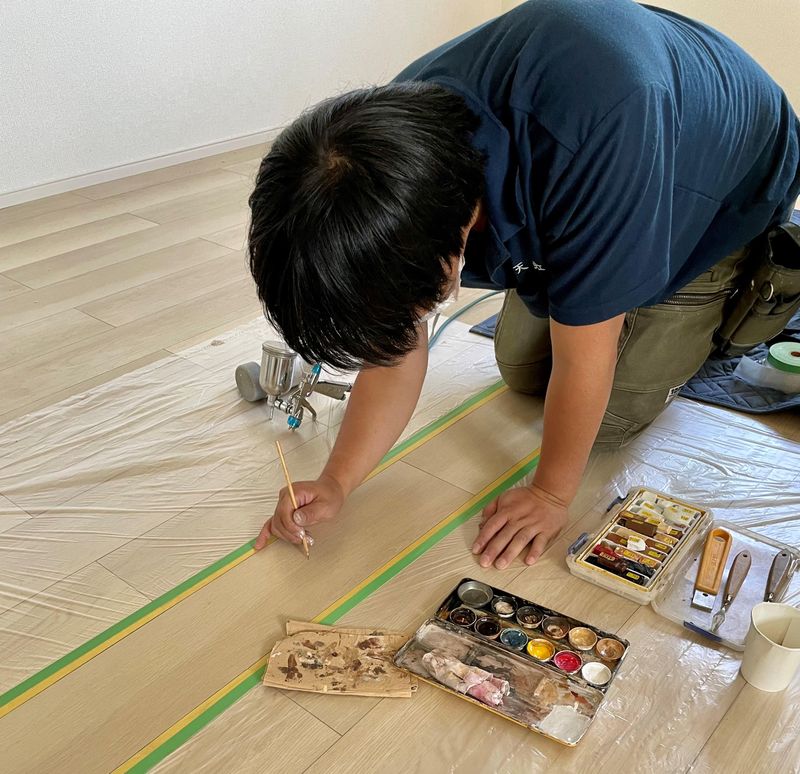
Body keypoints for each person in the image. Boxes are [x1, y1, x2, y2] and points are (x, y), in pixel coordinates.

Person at [247, 0, 800, 569]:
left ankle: (728, 291)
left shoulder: (601, 138)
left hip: (716, 183)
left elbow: (584, 363)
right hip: (606, 140)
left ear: (452, 251)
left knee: (607, 419)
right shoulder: (383, 161)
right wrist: (337, 480)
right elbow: (397, 345)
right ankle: (592, 276)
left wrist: (551, 495)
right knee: (523, 370)